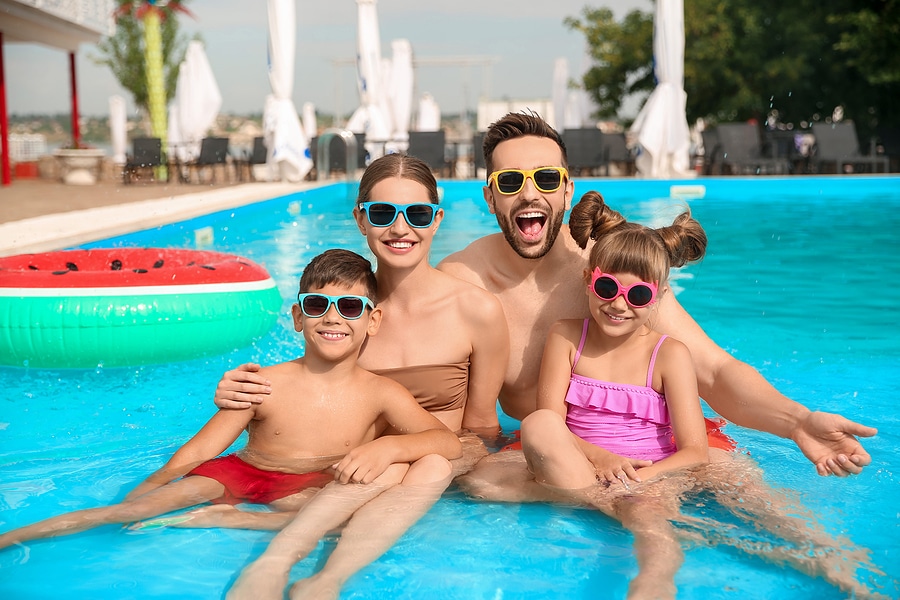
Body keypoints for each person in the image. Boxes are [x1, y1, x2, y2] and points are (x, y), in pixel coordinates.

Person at [471, 192, 878, 599]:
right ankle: (633, 515)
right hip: (587, 461)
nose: (618, 304)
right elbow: (550, 426)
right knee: (514, 451)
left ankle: (835, 565)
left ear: (660, 296)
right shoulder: (565, 335)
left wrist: (641, 479)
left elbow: (694, 450)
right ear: (588, 280)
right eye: (607, 286)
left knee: (752, 509)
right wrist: (606, 463)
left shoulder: (668, 354)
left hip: (652, 465)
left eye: (639, 296)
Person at [435, 111, 876, 476]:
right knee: (484, 485)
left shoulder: (611, 273)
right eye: (511, 181)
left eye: (546, 179)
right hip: (563, 455)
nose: (530, 194)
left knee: (755, 501)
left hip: (655, 440)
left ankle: (849, 580)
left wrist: (797, 422)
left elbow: (714, 371)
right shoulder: (459, 283)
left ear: (567, 189)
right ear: (490, 196)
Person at [0, 249, 461, 555]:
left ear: (372, 320)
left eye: (350, 308)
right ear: (298, 317)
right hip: (240, 471)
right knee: (129, 513)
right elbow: (201, 451)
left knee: (345, 522)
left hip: (311, 485)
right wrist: (150, 490)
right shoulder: (262, 384)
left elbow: (445, 442)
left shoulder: (381, 393)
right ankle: (10, 539)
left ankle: (235, 521)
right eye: (318, 305)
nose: (332, 318)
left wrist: (389, 448)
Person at [204, 154, 509, 599]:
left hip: (438, 461)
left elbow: (482, 424)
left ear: (437, 220)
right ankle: (276, 561)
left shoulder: (475, 310)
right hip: (355, 466)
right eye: (383, 213)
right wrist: (237, 390)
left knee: (429, 463)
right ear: (361, 220)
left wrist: (412, 453)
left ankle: (320, 576)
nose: (400, 228)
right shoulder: (344, 309)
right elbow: (308, 386)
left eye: (417, 214)